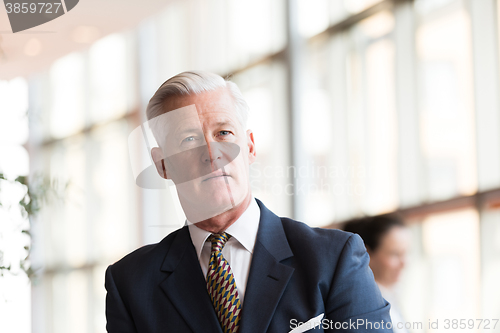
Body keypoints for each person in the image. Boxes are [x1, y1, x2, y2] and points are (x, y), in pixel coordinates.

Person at [104, 70, 393, 333]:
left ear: (250, 146)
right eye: (189, 139)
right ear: (162, 164)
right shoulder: (131, 283)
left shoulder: (333, 259)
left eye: (224, 133)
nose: (212, 152)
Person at [343, 214, 410, 333]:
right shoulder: (361, 309)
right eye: (395, 254)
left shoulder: (391, 296)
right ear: (366, 254)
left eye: (405, 253)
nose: (404, 263)